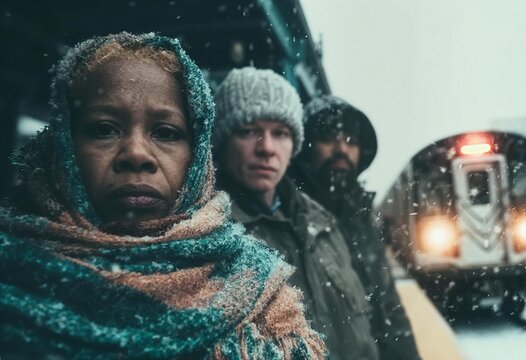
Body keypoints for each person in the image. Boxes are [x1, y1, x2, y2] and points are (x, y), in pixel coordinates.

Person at [0, 32, 325, 359]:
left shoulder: (259, 291)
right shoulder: (12, 272)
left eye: (166, 132)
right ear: (64, 144)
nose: (136, 154)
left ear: (197, 156)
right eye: (104, 129)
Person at [212, 67, 379, 360]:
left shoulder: (323, 224)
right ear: (222, 142)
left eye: (281, 133)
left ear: (294, 147)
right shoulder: (206, 237)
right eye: (248, 131)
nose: (267, 148)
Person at [289, 95, 421, 359]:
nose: (341, 149)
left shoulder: (361, 216)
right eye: (328, 138)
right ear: (305, 149)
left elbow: (387, 304)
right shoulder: (290, 213)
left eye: (351, 141)